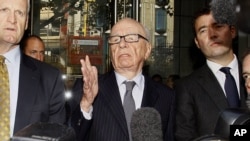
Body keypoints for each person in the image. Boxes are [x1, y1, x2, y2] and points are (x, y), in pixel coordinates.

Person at [70, 18, 175, 141]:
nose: (122, 44)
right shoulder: (87, 88)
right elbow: (71, 135)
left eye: (131, 38)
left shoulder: (166, 96)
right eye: (115, 40)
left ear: (147, 50)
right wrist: (86, 104)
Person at [174, 7, 247, 141]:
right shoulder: (186, 87)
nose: (212, 34)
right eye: (203, 30)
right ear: (197, 42)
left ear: (232, 31)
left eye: (218, 26)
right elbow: (183, 136)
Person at [0, 0, 66, 139]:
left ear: (26, 23)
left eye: (19, 13)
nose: (12, 19)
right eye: (4, 10)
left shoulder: (50, 79)